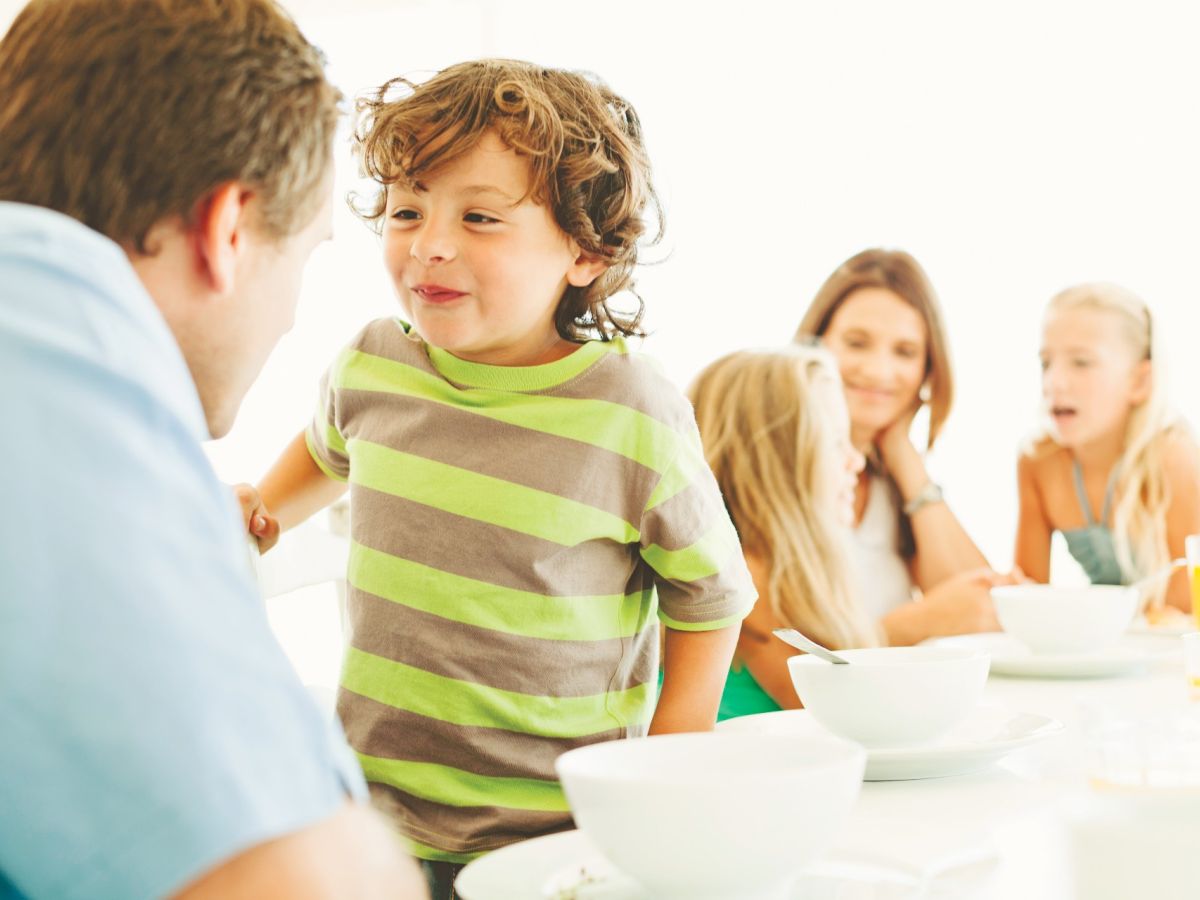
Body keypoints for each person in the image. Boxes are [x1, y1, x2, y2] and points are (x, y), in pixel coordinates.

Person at [238, 59, 755, 896]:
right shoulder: (373, 364)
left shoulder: (629, 409)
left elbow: (713, 593)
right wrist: (262, 508)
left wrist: (671, 751)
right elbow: (325, 450)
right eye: (407, 210)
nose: (430, 244)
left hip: (559, 837)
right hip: (378, 821)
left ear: (585, 252)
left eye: (480, 217)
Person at [0, 1, 426, 898]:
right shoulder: (42, 334)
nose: (295, 313)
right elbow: (308, 882)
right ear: (228, 228)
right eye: (308, 254)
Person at [796, 248, 1008, 646]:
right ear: (815, 345)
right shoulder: (767, 470)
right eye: (857, 343)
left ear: (928, 370)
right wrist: (909, 626)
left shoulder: (891, 484)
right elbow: (781, 658)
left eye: (905, 352)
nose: (878, 370)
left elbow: (981, 608)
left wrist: (903, 454)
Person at [689, 345, 881, 718]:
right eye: (837, 441)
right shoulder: (751, 581)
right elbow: (854, 719)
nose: (856, 460)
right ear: (777, 464)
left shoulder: (741, 563)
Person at [1015, 282, 1200, 616]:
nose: (1054, 381)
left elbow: (1187, 603)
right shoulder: (1037, 461)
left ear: (1139, 382)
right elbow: (1027, 597)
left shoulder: (1172, 457)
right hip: (1107, 644)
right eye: (1046, 362)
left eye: (1081, 363)